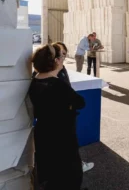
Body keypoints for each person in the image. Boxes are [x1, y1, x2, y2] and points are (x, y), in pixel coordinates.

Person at [29, 44, 86, 190]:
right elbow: (80, 102)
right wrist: (68, 106)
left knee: (51, 175)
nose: (62, 60)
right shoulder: (57, 85)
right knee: (69, 177)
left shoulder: (34, 81)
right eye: (60, 57)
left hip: (43, 133)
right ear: (54, 62)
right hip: (62, 138)